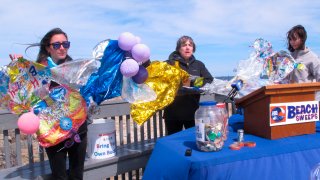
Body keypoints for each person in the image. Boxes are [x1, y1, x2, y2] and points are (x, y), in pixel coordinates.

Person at [31, 28, 88, 180]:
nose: (62, 48)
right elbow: (27, 93)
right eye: (57, 45)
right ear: (48, 47)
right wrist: (19, 67)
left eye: (65, 44)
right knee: (60, 176)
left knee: (77, 175)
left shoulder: (75, 68)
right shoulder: (38, 70)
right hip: (53, 130)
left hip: (78, 129)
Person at [164, 35, 213, 135]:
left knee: (192, 140)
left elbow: (209, 80)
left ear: (193, 49)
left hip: (192, 113)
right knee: (174, 142)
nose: (187, 47)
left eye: (190, 45)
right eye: (184, 45)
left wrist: (193, 82)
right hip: (172, 114)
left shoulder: (199, 65)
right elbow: (160, 81)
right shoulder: (169, 64)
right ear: (178, 48)